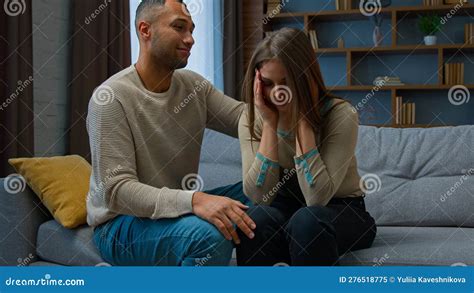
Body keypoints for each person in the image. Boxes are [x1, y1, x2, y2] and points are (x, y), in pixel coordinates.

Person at [86, 0, 256, 266]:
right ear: (145, 30)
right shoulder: (111, 98)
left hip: (174, 210)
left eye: (192, 30)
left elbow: (246, 120)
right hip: (120, 225)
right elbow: (116, 191)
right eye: (179, 27)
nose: (190, 39)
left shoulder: (194, 86)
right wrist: (195, 200)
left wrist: (290, 112)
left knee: (269, 192)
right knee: (209, 236)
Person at [236, 27, 377, 266]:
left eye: (286, 82)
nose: (277, 93)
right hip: (284, 208)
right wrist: (270, 125)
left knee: (307, 221)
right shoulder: (253, 119)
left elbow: (316, 198)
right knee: (255, 220)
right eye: (268, 83)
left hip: (339, 208)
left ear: (305, 78)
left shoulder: (340, 115)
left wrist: (303, 118)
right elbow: (259, 196)